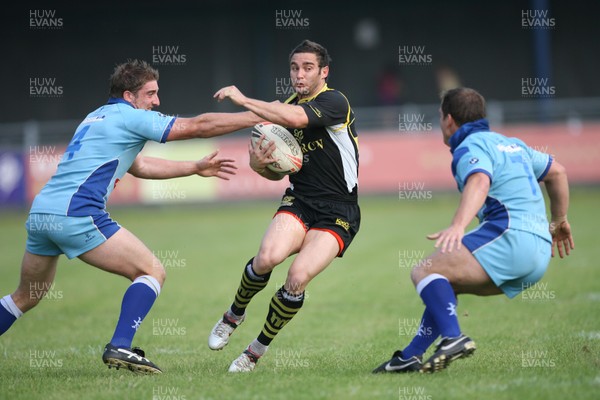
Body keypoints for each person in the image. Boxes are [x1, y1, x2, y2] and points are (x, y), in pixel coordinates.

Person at [0, 59, 264, 374]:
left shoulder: (95, 116)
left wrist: (193, 168)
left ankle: (120, 345)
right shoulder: (130, 117)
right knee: (151, 270)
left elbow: (138, 165)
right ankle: (121, 345)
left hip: (43, 213)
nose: (157, 101)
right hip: (77, 213)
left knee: (26, 296)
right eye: (150, 94)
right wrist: (256, 114)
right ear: (130, 96)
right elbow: (198, 126)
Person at [373, 87, 574, 374]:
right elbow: (558, 172)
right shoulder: (511, 143)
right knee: (444, 281)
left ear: (449, 120)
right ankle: (411, 355)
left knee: (423, 271)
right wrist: (560, 220)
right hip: (539, 253)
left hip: (509, 237)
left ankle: (454, 338)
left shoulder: (472, 145)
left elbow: (479, 180)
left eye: (440, 117)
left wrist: (458, 225)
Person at [209, 39, 360, 372]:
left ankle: (255, 351)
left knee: (296, 277)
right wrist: (258, 164)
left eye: (307, 68)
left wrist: (243, 99)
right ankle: (233, 314)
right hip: (300, 200)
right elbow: (278, 174)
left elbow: (297, 116)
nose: (299, 74)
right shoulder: (286, 109)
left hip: (339, 211)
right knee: (267, 258)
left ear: (324, 72)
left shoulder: (335, 101)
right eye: (294, 67)